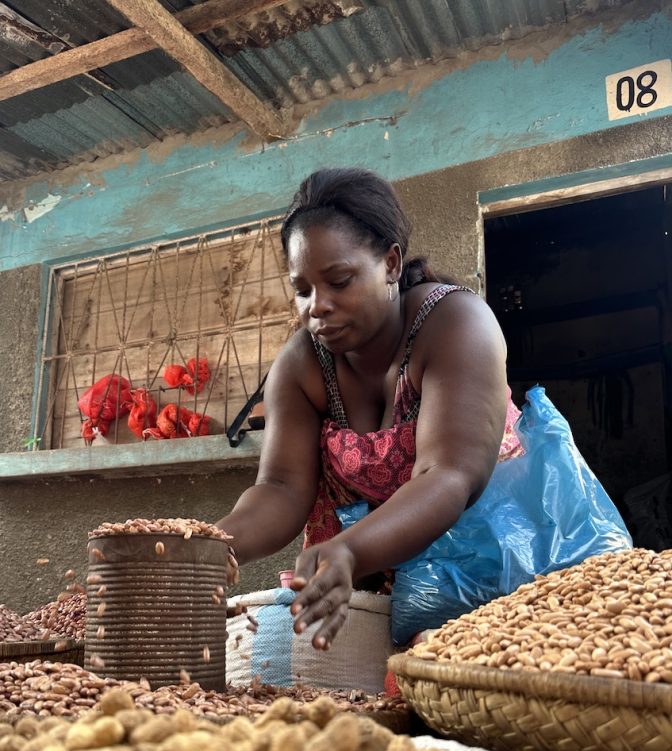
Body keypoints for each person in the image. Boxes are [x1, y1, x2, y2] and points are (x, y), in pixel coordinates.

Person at [217, 167, 521, 650]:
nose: (317, 306)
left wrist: (350, 550)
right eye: (302, 289)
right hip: (377, 585)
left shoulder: (456, 325)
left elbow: (448, 474)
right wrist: (210, 547)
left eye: (339, 281)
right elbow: (280, 488)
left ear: (392, 264)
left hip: (495, 570)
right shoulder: (303, 365)